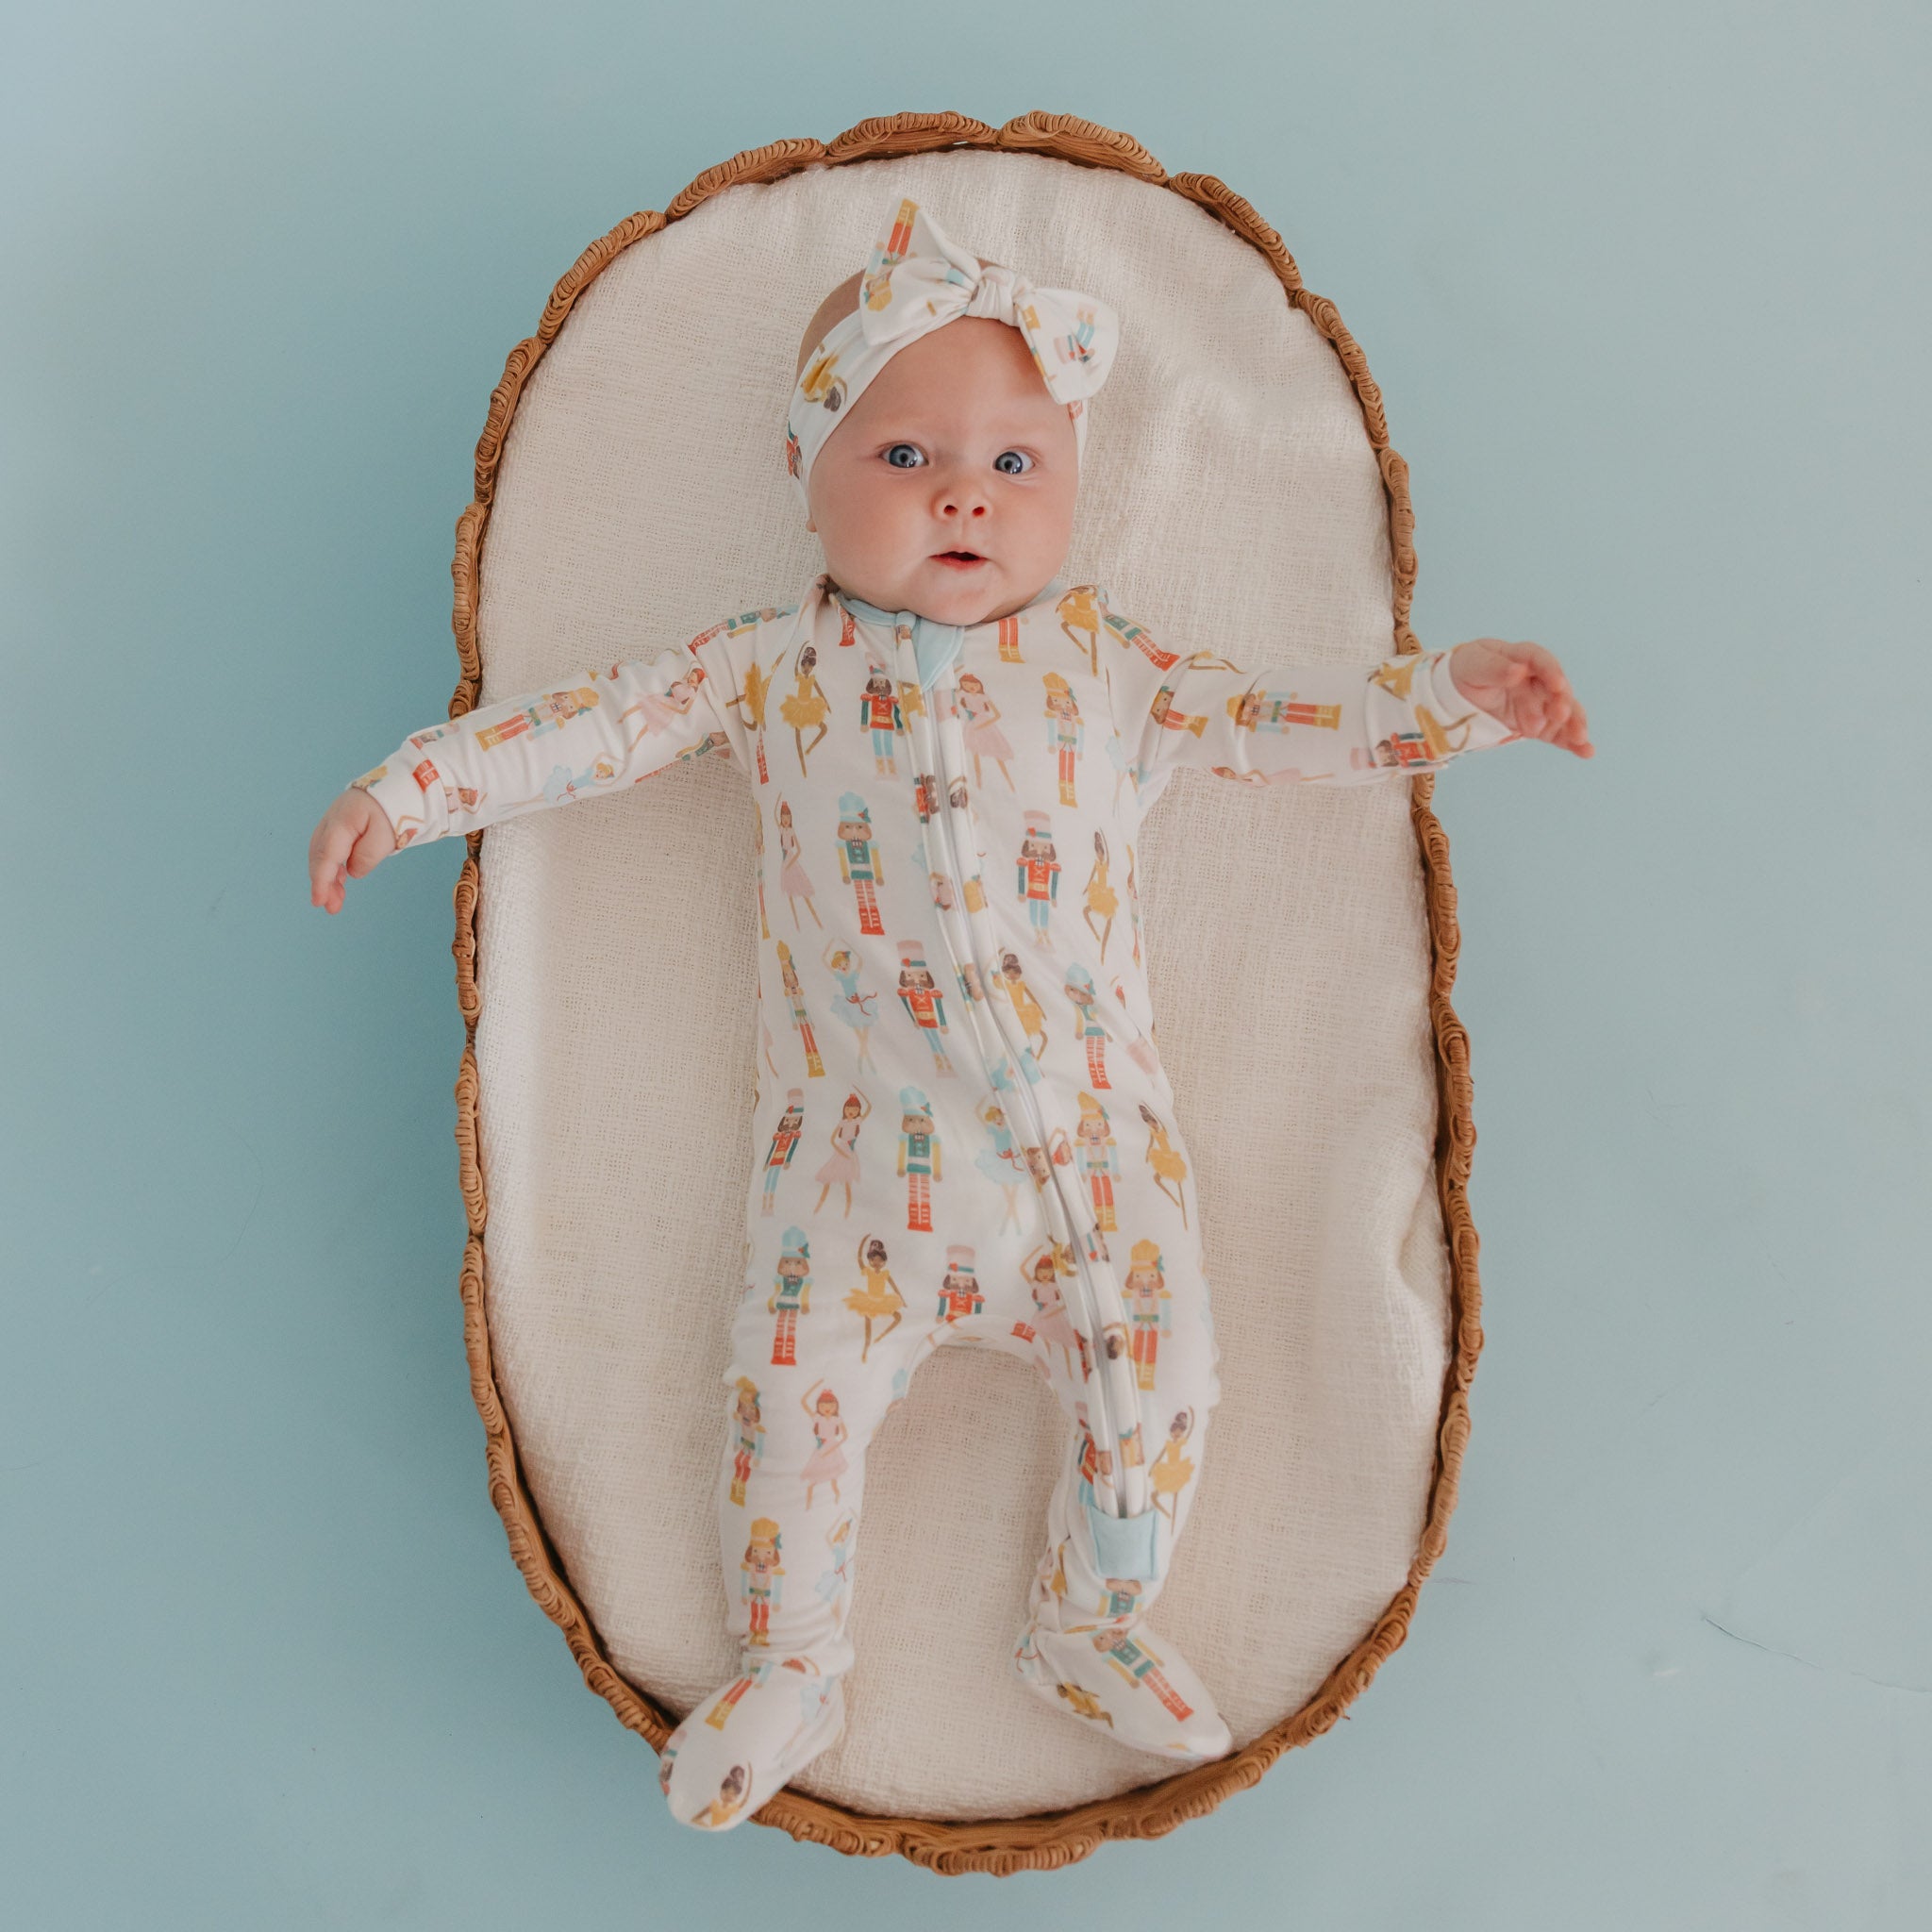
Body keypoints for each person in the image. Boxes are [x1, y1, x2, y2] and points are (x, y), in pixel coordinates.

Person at [307, 196, 1593, 1833]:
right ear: (807, 472)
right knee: (783, 1398)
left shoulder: (1109, 667)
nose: (964, 493)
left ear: (1073, 490)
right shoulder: (769, 667)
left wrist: (1455, 700)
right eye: (905, 455)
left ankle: (1090, 1619)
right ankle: (790, 1661)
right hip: (855, 1177)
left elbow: (1293, 723)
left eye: (1015, 462)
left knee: (1165, 1373)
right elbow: (588, 725)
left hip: (1093, 1170)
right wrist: (410, 790)